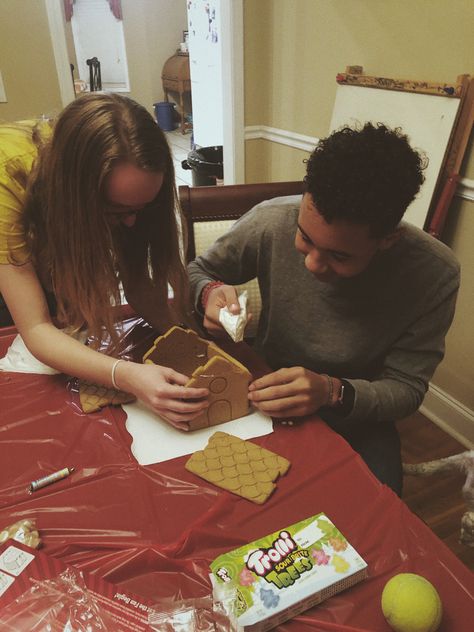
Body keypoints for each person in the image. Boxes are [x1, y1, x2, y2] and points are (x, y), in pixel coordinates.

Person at [188, 122, 460, 495]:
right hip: (263, 388)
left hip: (357, 414)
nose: (313, 265)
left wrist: (332, 391)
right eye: (305, 237)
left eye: (339, 255)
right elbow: (197, 271)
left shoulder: (434, 274)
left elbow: (407, 389)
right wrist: (209, 294)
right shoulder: (272, 220)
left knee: (376, 522)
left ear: (388, 239)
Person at [0, 93, 208, 428]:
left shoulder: (122, 185)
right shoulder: (6, 182)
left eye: (140, 209)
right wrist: (126, 375)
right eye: (117, 211)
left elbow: (140, 288)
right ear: (76, 199)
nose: (130, 224)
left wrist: (190, 343)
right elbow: (36, 328)